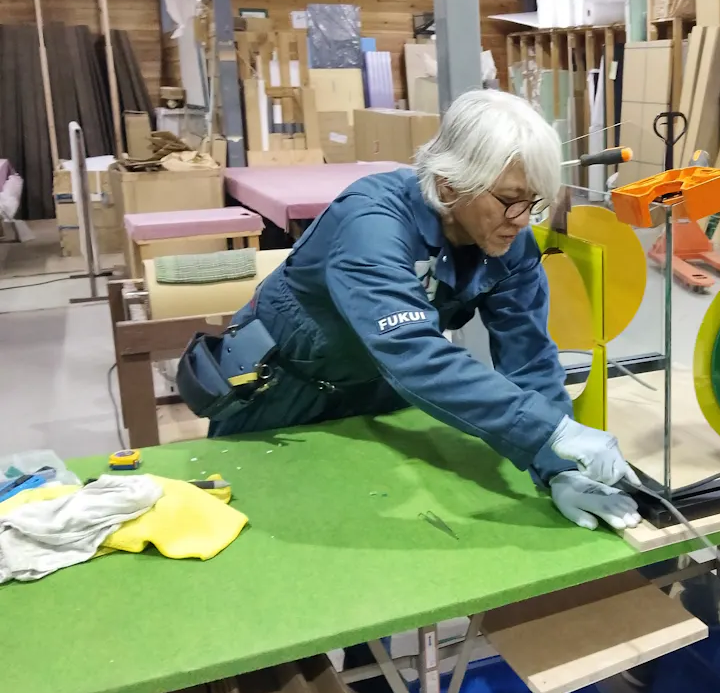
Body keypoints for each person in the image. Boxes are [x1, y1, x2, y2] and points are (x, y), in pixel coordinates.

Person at [180, 88, 641, 534]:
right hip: (280, 395)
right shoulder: (372, 224)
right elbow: (411, 350)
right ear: (448, 184)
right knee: (265, 534)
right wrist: (549, 430)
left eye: (534, 200)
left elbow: (530, 359)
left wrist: (559, 464)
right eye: (508, 200)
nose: (522, 219)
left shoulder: (509, 244)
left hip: (377, 393)